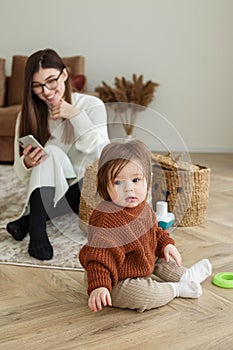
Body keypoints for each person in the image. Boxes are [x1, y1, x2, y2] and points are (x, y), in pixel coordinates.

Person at [79, 140, 212, 312]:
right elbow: (100, 257)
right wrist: (100, 285)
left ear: (147, 181)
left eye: (135, 180)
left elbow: (154, 232)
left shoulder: (143, 207)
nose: (129, 189)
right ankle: (175, 290)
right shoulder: (107, 219)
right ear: (105, 186)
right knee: (140, 295)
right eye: (118, 182)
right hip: (112, 274)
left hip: (138, 259)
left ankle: (186, 276)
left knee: (162, 258)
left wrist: (166, 244)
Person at [6, 48, 110, 261]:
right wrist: (26, 162)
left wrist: (75, 116)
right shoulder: (27, 115)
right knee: (50, 153)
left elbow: (102, 154)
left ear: (64, 75)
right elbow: (19, 171)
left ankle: (29, 221)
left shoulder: (91, 105)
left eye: (51, 81)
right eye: (37, 86)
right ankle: (38, 232)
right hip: (49, 185)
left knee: (60, 158)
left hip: (85, 186)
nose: (46, 91)